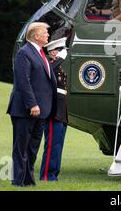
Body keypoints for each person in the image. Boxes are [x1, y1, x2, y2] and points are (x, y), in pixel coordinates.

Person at [6, 22, 57, 187]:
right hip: (25, 110)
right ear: (36, 36)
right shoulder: (24, 53)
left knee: (33, 147)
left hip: (41, 110)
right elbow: (24, 82)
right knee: (21, 147)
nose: (48, 35)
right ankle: (18, 181)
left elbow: (42, 78)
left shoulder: (41, 53)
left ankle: (28, 180)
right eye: (45, 33)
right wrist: (32, 104)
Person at [40, 37, 68, 182]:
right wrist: (59, 60)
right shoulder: (49, 65)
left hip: (61, 111)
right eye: (60, 50)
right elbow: (48, 72)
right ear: (52, 53)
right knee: (52, 145)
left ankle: (53, 174)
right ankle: (46, 175)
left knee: (58, 145)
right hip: (53, 110)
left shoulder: (60, 67)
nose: (64, 53)